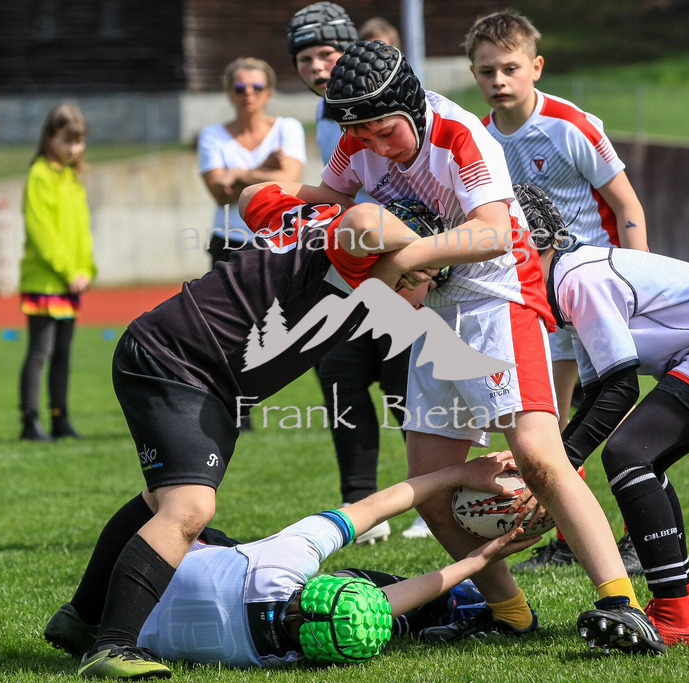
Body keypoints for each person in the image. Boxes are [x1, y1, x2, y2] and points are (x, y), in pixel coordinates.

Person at [48, 180, 480, 679]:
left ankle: (80, 618)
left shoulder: (316, 224)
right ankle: (112, 648)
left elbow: (254, 196)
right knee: (190, 509)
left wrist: (316, 202)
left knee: (160, 502)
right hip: (185, 362)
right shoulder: (357, 252)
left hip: (196, 367)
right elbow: (363, 222)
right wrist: (415, 249)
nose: (426, 297)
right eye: (430, 279)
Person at [314, 40, 664, 654]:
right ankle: (509, 611)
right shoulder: (358, 137)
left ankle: (621, 603)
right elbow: (334, 201)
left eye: (385, 131)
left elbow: (495, 231)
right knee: (428, 486)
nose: (374, 145)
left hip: (498, 301)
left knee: (538, 456)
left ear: (411, 106)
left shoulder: (459, 132)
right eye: (361, 134)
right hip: (432, 314)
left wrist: (402, 259)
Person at [516, 182, 689, 646]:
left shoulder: (579, 280)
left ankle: (679, 616)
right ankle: (682, 603)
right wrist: (559, 459)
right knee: (639, 457)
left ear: (534, 242)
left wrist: (562, 462)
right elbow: (598, 387)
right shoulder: (569, 279)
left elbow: (621, 387)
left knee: (628, 454)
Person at [465, 9, 649, 572]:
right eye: (486, 70)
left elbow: (626, 205)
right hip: (539, 304)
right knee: (551, 430)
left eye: (510, 67)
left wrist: (635, 288)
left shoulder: (570, 125)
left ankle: (640, 538)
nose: (498, 80)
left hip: (595, 298)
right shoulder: (482, 140)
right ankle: (570, 539)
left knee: (615, 424)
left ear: (536, 67)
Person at [136, 452, 538, 668]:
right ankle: (450, 606)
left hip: (148, 570)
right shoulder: (268, 658)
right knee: (368, 607)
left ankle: (445, 605)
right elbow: (380, 602)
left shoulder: (278, 563)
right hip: (139, 605)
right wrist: (476, 559)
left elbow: (378, 506)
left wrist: (458, 473)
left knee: (169, 506)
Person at [287, 3, 412, 544]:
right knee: (341, 382)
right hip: (347, 264)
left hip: (402, 263)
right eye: (306, 58)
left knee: (411, 387)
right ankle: (360, 506)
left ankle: (429, 498)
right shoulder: (324, 114)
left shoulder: (390, 100)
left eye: (327, 54)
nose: (317, 67)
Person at [17, 104, 97, 441]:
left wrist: (86, 269)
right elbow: (42, 231)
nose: (73, 149)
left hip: (70, 282)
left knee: (63, 351)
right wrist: (67, 270)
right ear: (50, 138)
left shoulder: (72, 177)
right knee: (40, 351)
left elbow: (81, 231)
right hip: (46, 280)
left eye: (78, 142)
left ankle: (59, 416)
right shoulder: (40, 175)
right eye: (67, 141)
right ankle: (30, 420)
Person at [198, 57, 306, 267]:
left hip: (280, 239)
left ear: (269, 92)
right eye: (240, 88)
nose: (248, 93)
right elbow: (221, 195)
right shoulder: (211, 135)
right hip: (229, 241)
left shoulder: (288, 128)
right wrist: (265, 168)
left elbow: (287, 182)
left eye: (257, 87)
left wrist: (237, 173)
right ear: (229, 92)